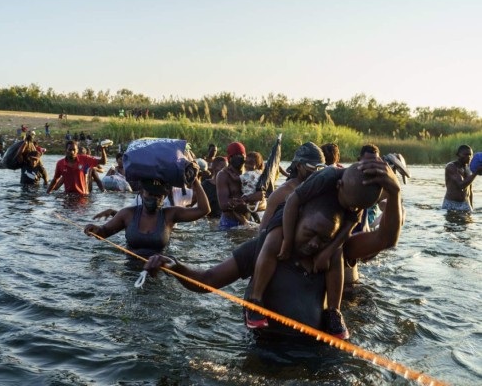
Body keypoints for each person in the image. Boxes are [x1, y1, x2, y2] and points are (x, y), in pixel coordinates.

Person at [144, 160, 401, 339]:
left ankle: (334, 315)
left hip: (319, 359)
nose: (314, 244)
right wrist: (174, 266)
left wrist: (394, 192)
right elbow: (207, 279)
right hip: (267, 354)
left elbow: (386, 239)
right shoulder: (262, 248)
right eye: (309, 234)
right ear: (297, 220)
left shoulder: (335, 253)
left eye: (324, 239)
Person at [247, 163, 382, 337]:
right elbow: (293, 202)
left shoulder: (357, 199)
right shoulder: (326, 177)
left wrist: (328, 252)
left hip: (327, 224)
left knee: (337, 254)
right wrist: (288, 240)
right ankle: (255, 300)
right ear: (339, 185)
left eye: (355, 208)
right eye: (348, 204)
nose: (351, 209)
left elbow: (350, 223)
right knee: (273, 240)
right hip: (296, 212)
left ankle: (333, 312)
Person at [84, 176, 210, 260]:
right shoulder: (127, 214)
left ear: (164, 196)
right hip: (130, 270)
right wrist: (94, 229)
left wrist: (194, 180)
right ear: (141, 193)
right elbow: (104, 232)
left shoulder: (170, 215)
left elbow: (204, 210)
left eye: (158, 196)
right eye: (150, 194)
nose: (154, 198)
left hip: (159, 268)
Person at [259, 142, 326, 231]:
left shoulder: (320, 188)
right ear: (298, 166)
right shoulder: (281, 194)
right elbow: (263, 231)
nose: (316, 172)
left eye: (320, 168)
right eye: (312, 167)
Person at [217, 142, 263, 229]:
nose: (240, 158)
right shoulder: (223, 175)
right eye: (236, 155)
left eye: (242, 155)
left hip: (248, 221)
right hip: (230, 223)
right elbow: (223, 205)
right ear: (230, 158)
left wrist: (249, 200)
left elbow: (264, 202)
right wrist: (248, 201)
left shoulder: (251, 173)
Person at [443, 145, 482, 211]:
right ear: (458, 155)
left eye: (470, 155)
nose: (468, 157)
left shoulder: (469, 168)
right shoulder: (451, 167)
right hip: (451, 204)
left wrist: (471, 207)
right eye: (465, 154)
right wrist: (476, 172)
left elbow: (470, 190)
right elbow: (461, 185)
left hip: (465, 204)